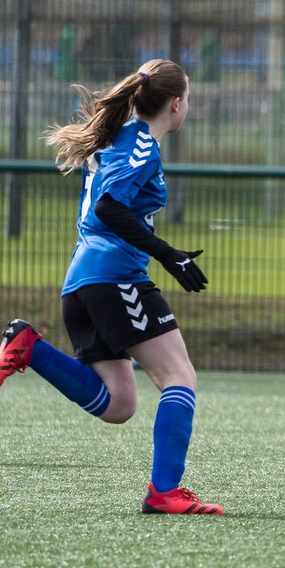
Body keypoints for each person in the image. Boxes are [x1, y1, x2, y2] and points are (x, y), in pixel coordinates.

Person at [0, 58, 223, 515]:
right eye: (190, 100)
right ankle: (165, 492)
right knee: (179, 377)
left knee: (118, 403)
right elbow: (107, 208)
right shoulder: (139, 145)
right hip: (116, 279)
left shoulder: (117, 138)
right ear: (176, 104)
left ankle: (29, 346)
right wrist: (168, 253)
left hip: (82, 285)